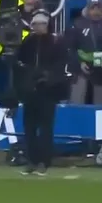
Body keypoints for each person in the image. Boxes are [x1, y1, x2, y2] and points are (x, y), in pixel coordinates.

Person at [13, 9, 70, 176]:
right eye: (36, 24)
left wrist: (47, 76)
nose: (39, 27)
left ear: (48, 24)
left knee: (46, 128)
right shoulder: (28, 42)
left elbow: (61, 65)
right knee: (29, 127)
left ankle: (44, 161)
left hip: (48, 91)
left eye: (42, 24)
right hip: (30, 91)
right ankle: (32, 160)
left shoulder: (57, 42)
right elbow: (20, 63)